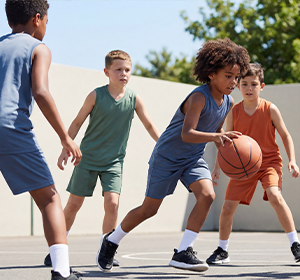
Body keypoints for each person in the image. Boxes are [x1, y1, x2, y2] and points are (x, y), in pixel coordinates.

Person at [95, 38, 250, 272]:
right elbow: (187, 134)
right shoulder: (198, 97)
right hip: (167, 156)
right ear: (211, 74)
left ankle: (183, 252)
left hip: (193, 158)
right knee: (149, 209)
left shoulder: (228, 101)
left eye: (236, 77)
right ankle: (111, 240)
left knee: (207, 195)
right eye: (228, 76)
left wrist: (229, 145)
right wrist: (215, 138)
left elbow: (216, 131)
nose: (233, 82)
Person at [43, 50, 160, 267]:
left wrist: (163, 145)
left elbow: (150, 125)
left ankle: (107, 249)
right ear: (107, 72)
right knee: (74, 204)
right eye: (118, 70)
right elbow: (77, 122)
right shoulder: (95, 95)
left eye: (127, 70)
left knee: (113, 204)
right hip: (86, 159)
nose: (123, 73)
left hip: (114, 162)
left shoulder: (134, 99)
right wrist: (65, 147)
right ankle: (57, 246)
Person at [0, 1, 83, 280]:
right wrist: (65, 137)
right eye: (48, 20)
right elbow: (41, 91)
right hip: (10, 127)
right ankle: (61, 271)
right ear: (38, 19)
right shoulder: (39, 48)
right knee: (49, 198)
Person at [206, 63, 300, 265]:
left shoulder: (270, 109)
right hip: (243, 165)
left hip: (269, 162)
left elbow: (286, 135)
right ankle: (222, 250)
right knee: (227, 207)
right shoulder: (234, 111)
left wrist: (293, 161)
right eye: (244, 84)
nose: (249, 88)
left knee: (275, 195)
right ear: (238, 86)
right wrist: (218, 167)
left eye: (253, 84)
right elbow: (227, 142)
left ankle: (296, 244)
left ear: (261, 86)